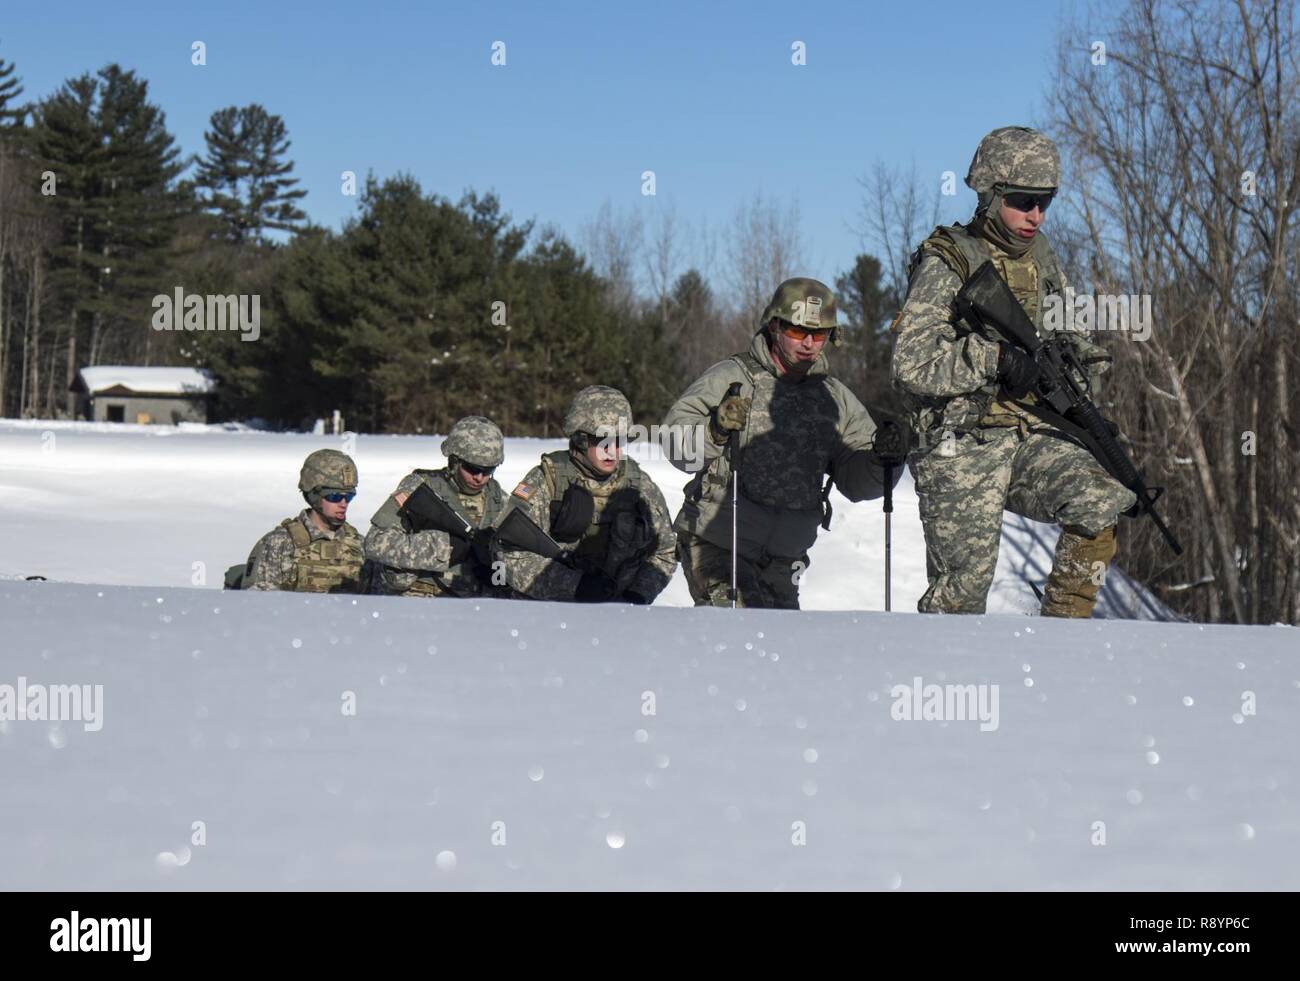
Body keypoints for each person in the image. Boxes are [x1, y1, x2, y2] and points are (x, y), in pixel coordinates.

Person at [890, 125, 1136, 617]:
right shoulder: (948, 262)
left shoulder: (1042, 260)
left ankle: (1059, 642)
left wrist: (1079, 374)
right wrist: (994, 360)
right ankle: (940, 681)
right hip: (960, 441)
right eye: (1024, 200)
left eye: (1046, 201)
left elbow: (1074, 336)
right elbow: (909, 363)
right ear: (990, 194)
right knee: (961, 595)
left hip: (1028, 431)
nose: (1036, 215)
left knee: (1101, 500)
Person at [662, 277, 898, 609]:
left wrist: (884, 460)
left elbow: (859, 482)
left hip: (784, 561)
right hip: (719, 543)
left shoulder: (834, 399)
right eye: (799, 332)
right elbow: (676, 443)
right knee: (741, 633)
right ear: (774, 326)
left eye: (820, 335)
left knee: (781, 652)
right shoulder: (731, 378)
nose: (809, 344)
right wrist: (715, 429)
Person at [502, 386, 677, 603]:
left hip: (618, 613)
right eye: (602, 440)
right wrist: (573, 585)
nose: (612, 451)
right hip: (551, 614)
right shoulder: (547, 480)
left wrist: (638, 594)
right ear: (581, 439)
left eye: (619, 441)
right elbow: (506, 553)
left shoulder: (639, 486)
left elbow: (665, 552)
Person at [365, 415, 509, 598]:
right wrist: (442, 548)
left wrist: (498, 571)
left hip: (477, 607)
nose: (479, 477)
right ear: (454, 462)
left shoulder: (499, 500)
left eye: (488, 470)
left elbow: (519, 554)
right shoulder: (419, 489)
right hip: (422, 601)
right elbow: (375, 542)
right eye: (472, 469)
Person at [233, 448, 366, 593]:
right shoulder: (278, 544)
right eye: (334, 497)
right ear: (314, 495)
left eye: (349, 497)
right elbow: (259, 605)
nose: (343, 503)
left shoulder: (359, 545)